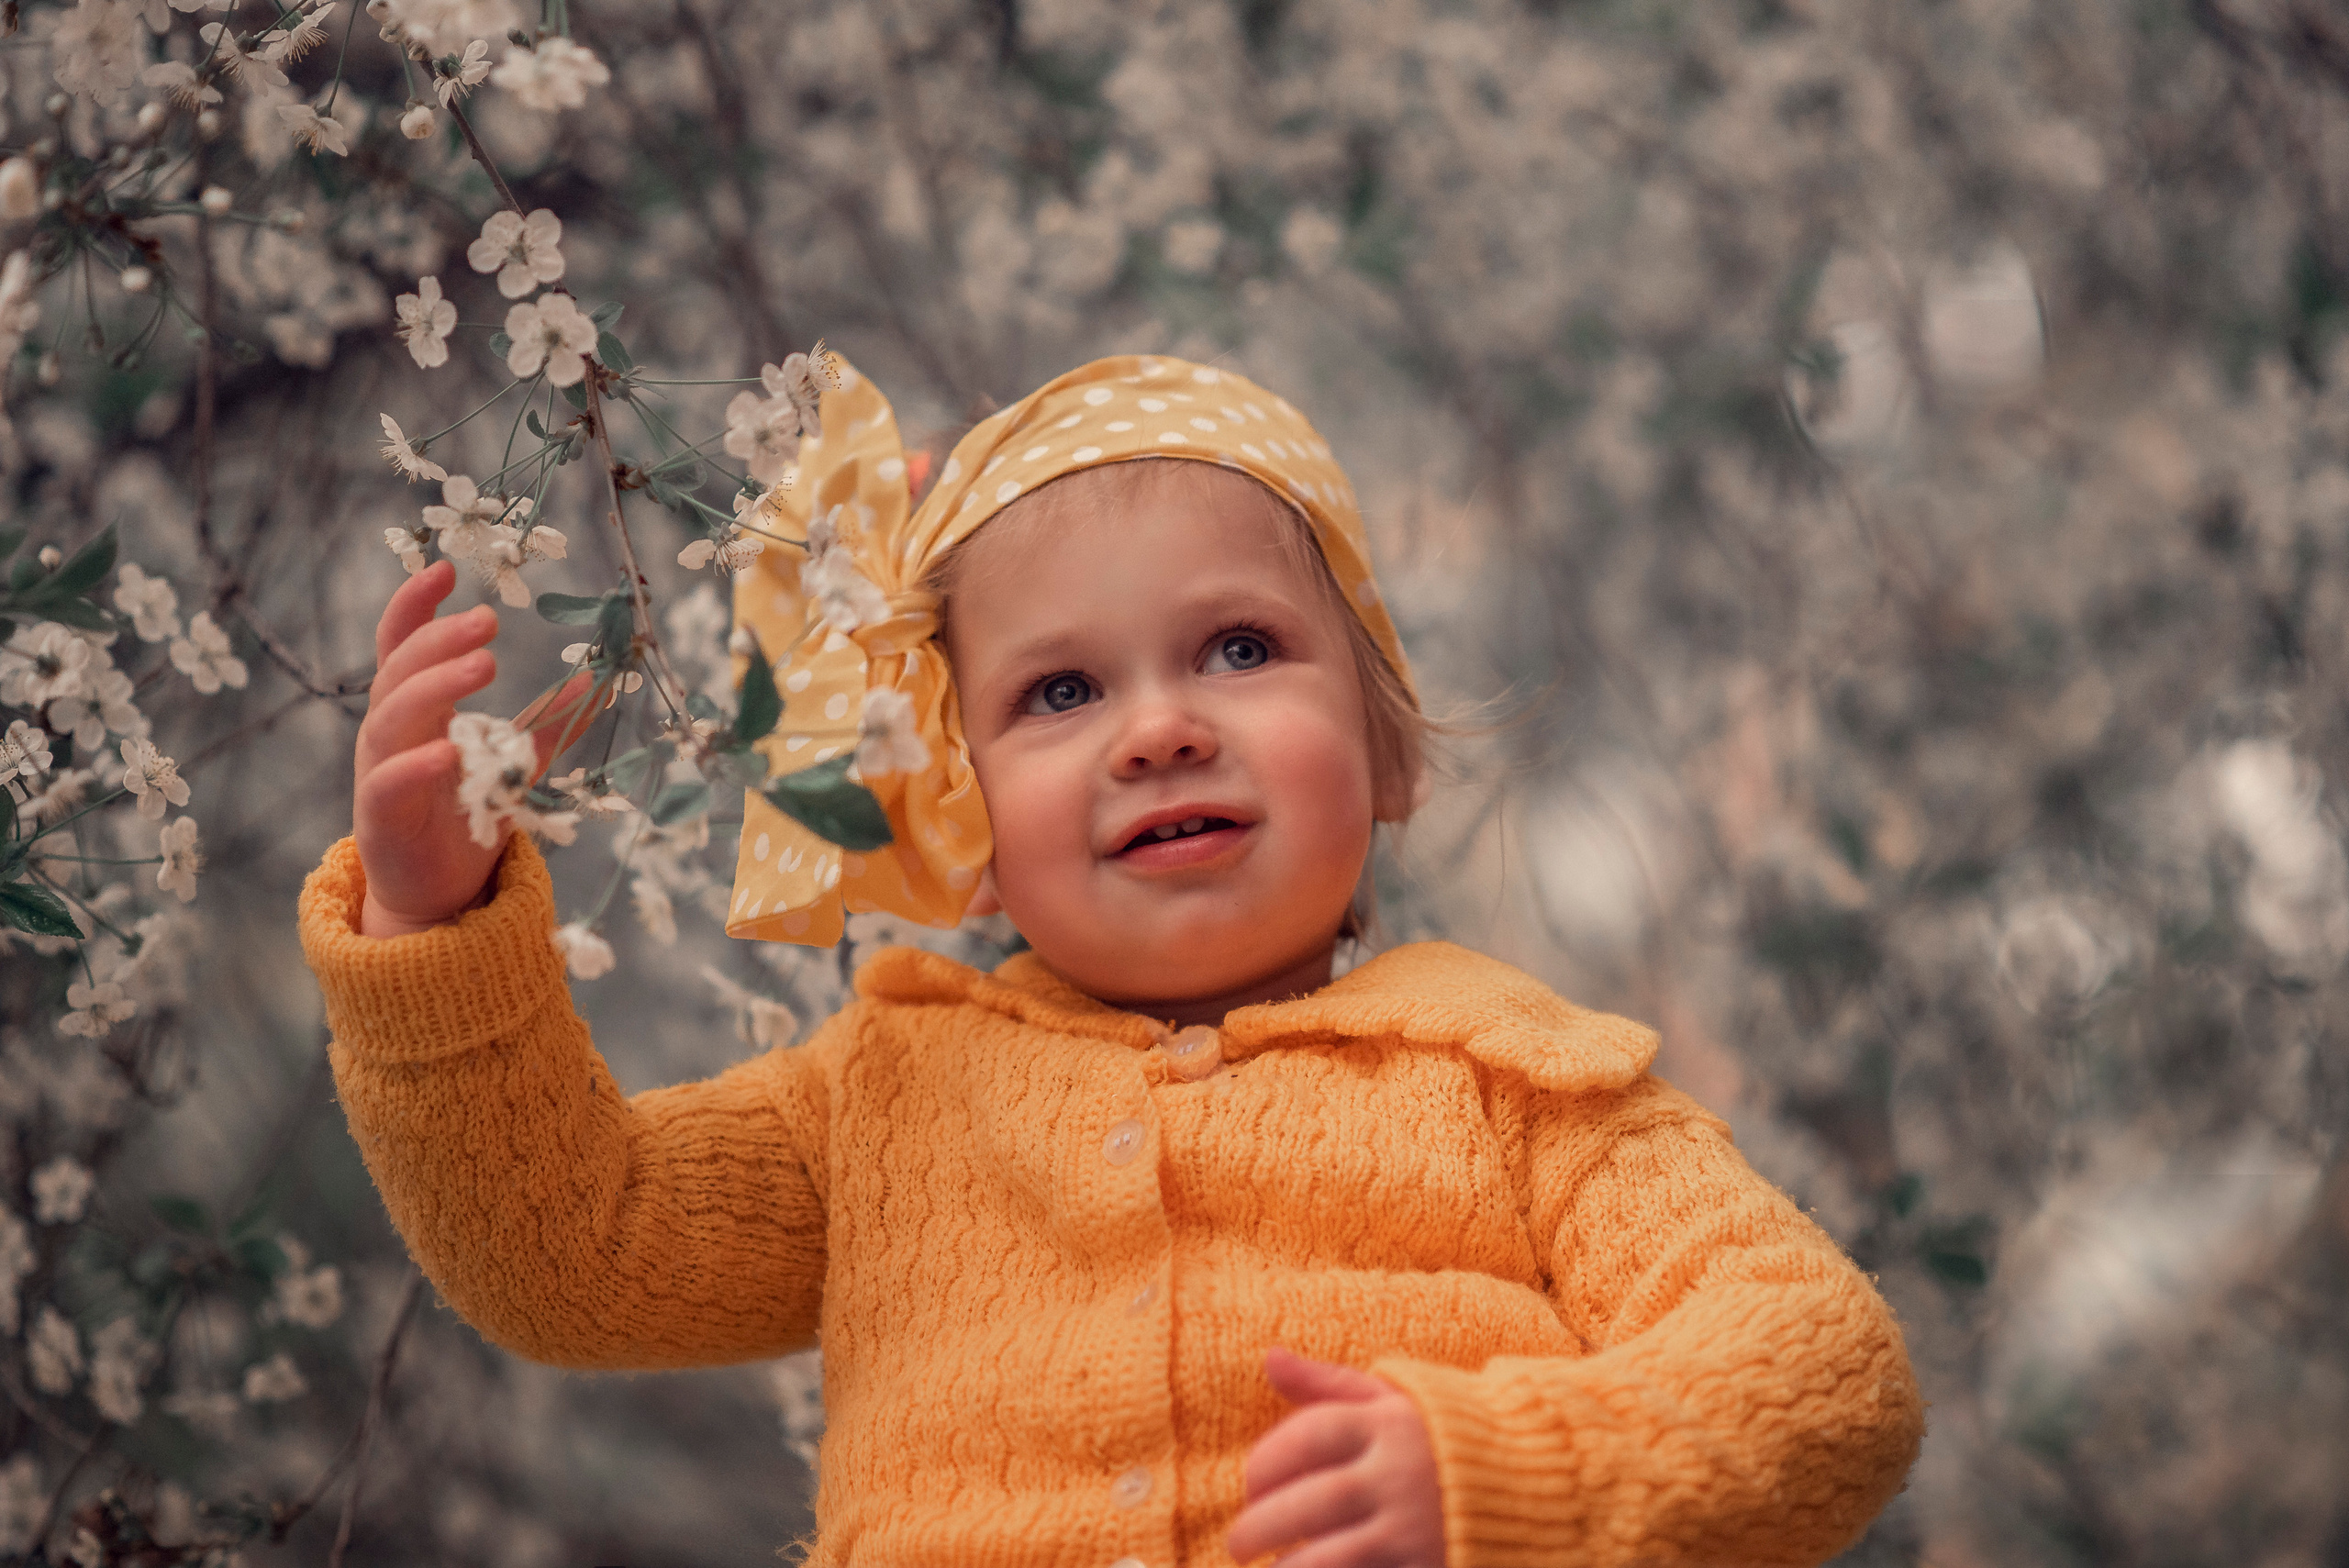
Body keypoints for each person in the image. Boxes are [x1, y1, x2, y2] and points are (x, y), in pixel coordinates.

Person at [300, 352, 1925, 1568]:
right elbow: (569, 1249)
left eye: (1240, 648)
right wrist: (431, 927)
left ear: (1389, 749)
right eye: (1059, 694)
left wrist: (1515, 1471)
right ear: (955, 805)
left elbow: (1819, 1368)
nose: (1160, 727)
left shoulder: (1521, 1084)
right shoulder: (886, 1101)